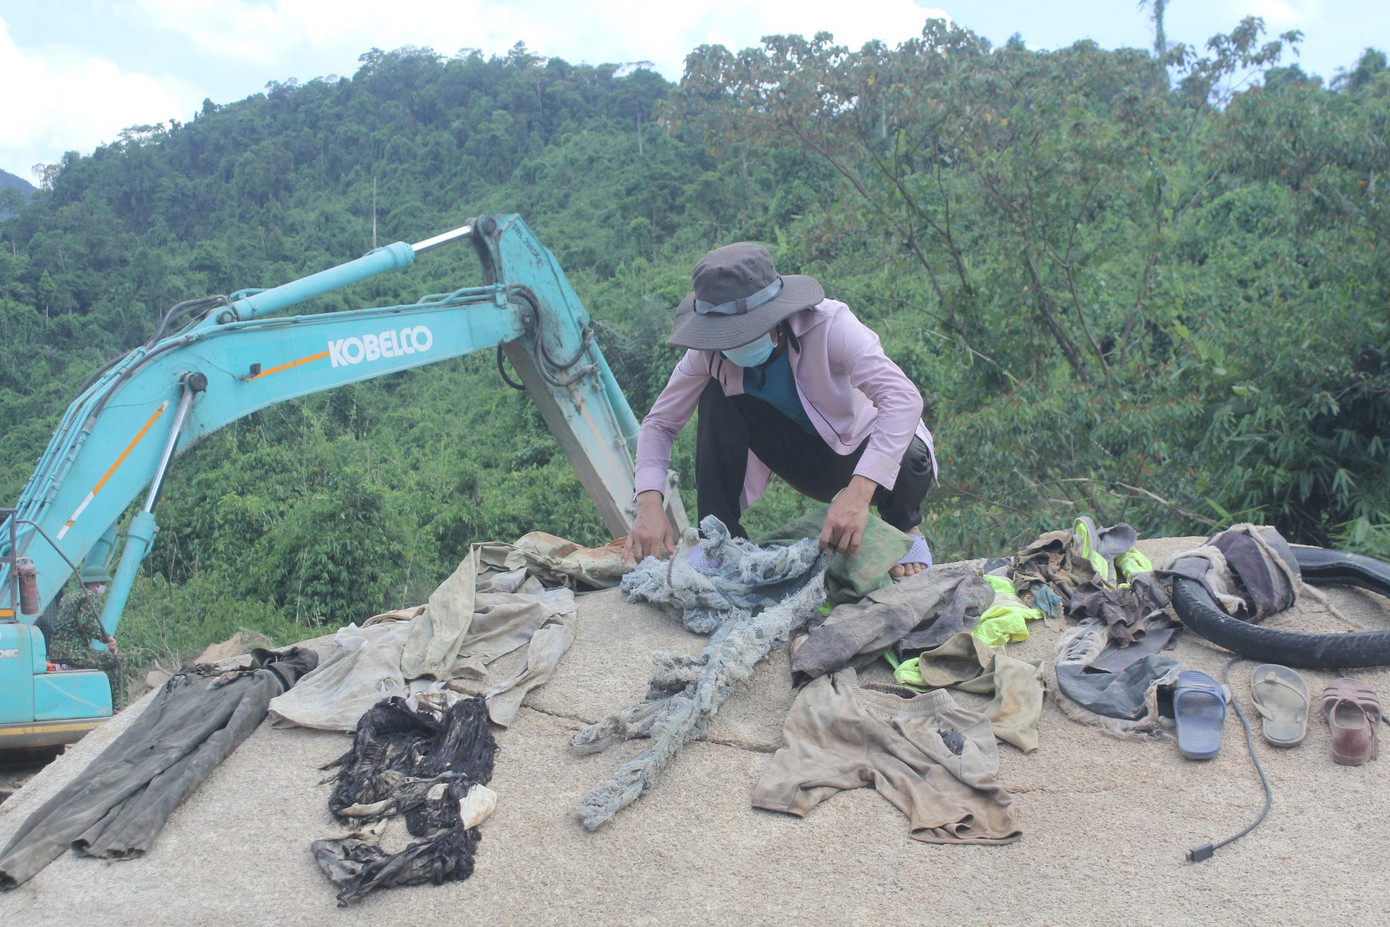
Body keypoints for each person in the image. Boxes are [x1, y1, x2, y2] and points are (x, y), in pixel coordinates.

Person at [623, 242, 938, 578]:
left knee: (910, 453)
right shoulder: (709, 354)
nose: (732, 344)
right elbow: (660, 424)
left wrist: (858, 495)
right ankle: (719, 540)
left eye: (744, 332)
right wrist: (649, 504)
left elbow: (902, 398)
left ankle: (905, 528)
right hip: (801, 461)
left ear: (775, 314)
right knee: (715, 392)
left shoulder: (831, 326)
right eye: (724, 336)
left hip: (865, 457)